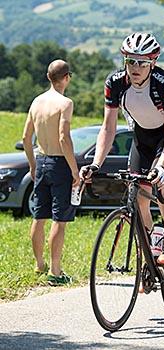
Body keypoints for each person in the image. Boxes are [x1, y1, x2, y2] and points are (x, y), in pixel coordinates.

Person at [81, 33, 164, 266]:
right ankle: (152, 247)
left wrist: (161, 167)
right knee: (139, 191)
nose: (135, 67)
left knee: (160, 180)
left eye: (142, 62)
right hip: (143, 133)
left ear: (153, 63)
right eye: (130, 61)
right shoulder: (115, 84)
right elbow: (108, 129)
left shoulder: (163, 82)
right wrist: (95, 164)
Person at [23, 59, 80, 286]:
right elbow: (64, 138)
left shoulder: (37, 102)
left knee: (39, 217)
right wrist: (74, 170)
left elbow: (26, 138)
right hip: (59, 165)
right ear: (66, 77)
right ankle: (56, 272)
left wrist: (32, 164)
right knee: (59, 219)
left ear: (49, 77)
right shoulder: (65, 103)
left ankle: (39, 265)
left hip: (41, 159)